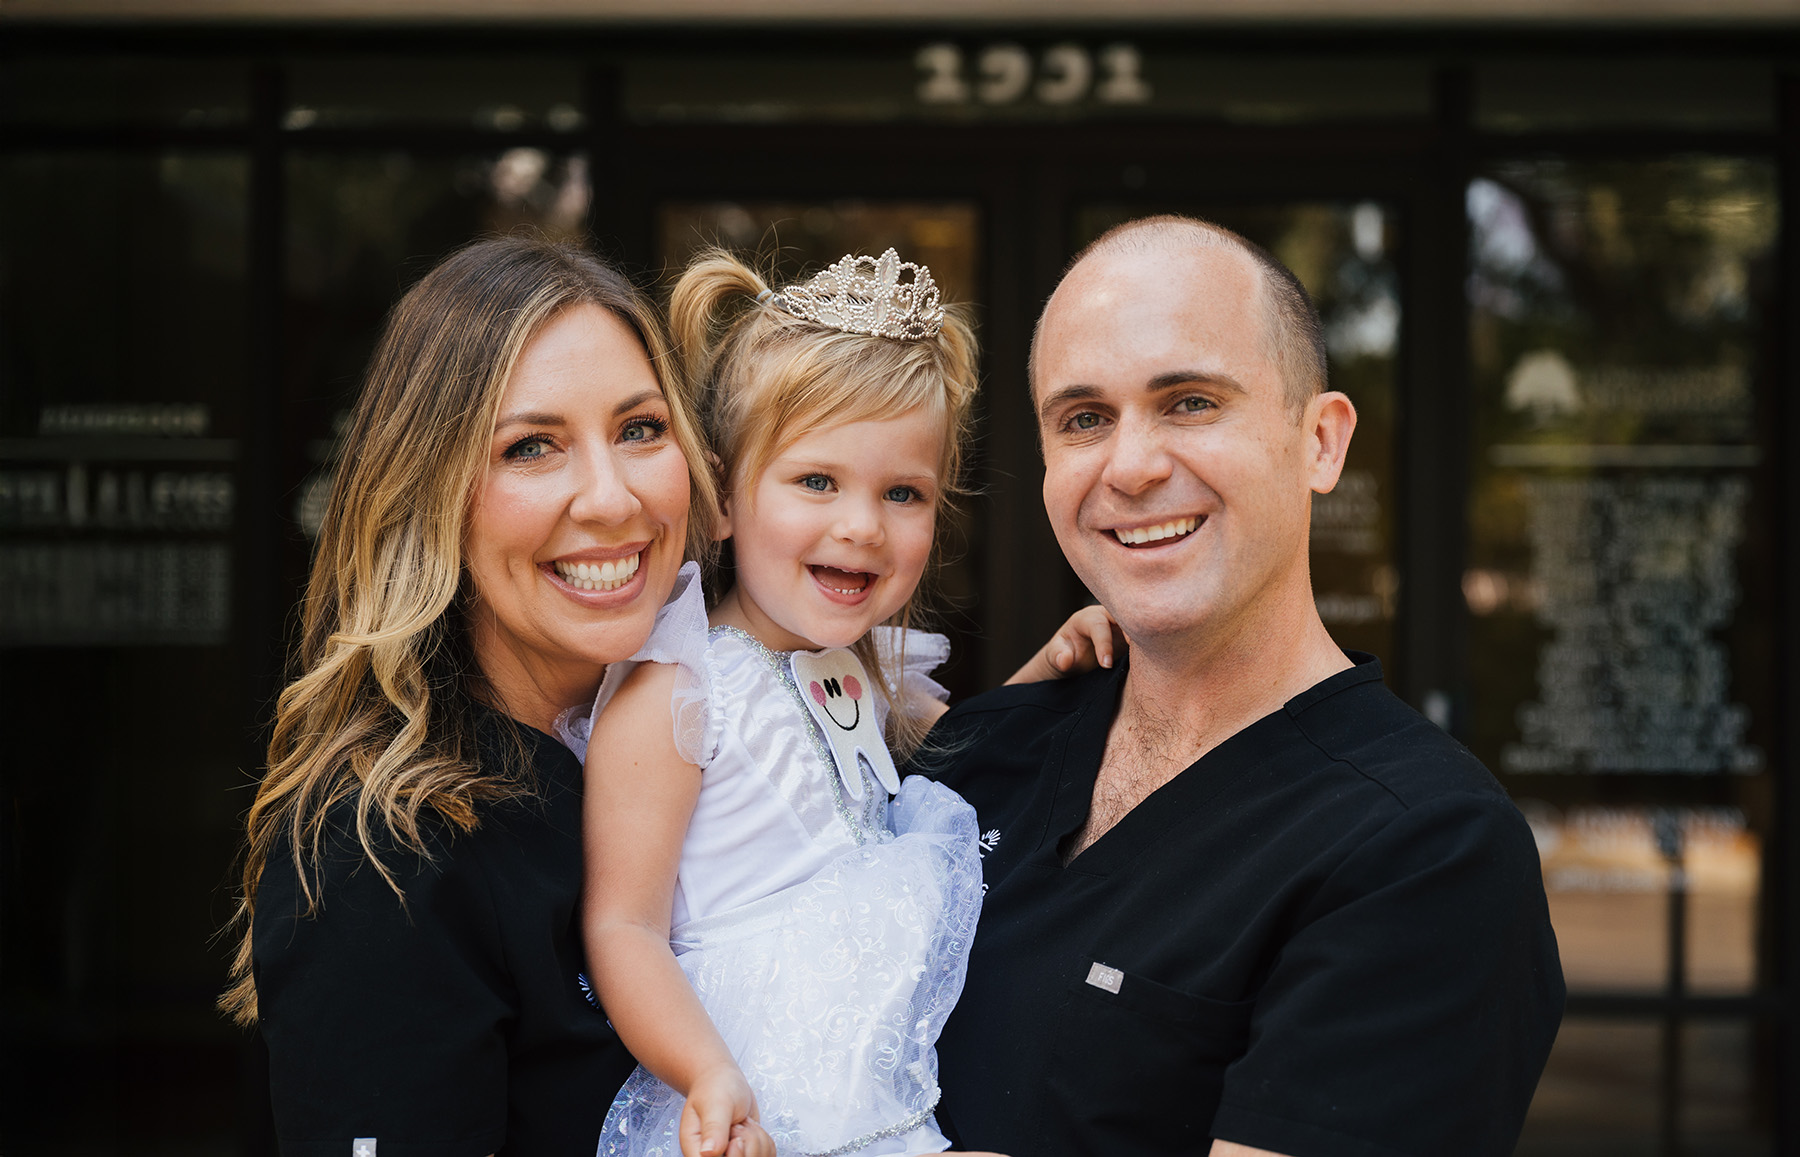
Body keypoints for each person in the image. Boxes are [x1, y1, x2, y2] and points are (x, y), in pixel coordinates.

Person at [916, 215, 1565, 1157]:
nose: (1132, 466)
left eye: (1188, 402)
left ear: (1321, 442)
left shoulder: (1425, 848)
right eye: (1084, 418)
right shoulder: (984, 753)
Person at [571, 249, 1113, 1157]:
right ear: (721, 499)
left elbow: (956, 765)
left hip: (870, 1097)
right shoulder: (676, 687)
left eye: (903, 493)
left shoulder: (857, 669)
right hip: (755, 1103)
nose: (862, 524)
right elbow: (622, 924)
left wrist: (1043, 674)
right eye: (817, 481)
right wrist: (705, 1073)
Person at [221, 235, 722, 1156]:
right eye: (532, 447)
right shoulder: (386, 853)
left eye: (641, 429)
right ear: (429, 492)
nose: (612, 498)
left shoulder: (727, 733)